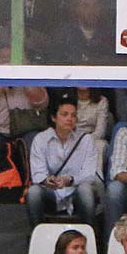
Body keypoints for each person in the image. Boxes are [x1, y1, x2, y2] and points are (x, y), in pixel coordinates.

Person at [24, 96, 100, 226]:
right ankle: (37, 234)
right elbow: (37, 174)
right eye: (64, 114)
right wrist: (47, 180)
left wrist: (70, 180)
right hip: (51, 192)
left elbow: (90, 174)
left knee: (86, 190)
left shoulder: (86, 139)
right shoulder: (41, 139)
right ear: (54, 118)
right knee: (33, 192)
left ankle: (91, 234)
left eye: (73, 115)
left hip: (76, 191)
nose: (69, 119)